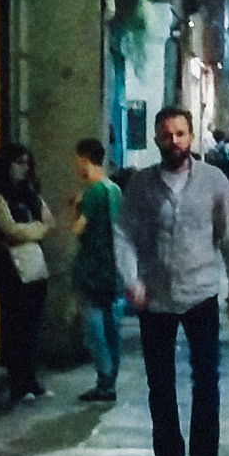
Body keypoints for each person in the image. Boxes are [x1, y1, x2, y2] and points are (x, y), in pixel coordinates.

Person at [115, 108, 229, 456]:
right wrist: (131, 278)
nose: (175, 141)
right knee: (160, 383)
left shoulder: (213, 182)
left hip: (200, 292)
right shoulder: (141, 186)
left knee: (206, 380)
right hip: (155, 296)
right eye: (167, 135)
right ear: (157, 139)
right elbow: (123, 234)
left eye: (181, 133)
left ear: (191, 136)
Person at [0, 142, 51, 406]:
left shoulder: (30, 193)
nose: (24, 169)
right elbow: (8, 229)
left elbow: (49, 223)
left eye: (27, 163)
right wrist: (35, 229)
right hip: (9, 265)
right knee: (15, 323)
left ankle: (29, 378)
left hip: (34, 265)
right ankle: (17, 381)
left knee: (31, 325)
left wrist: (30, 229)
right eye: (18, 163)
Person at [70, 137, 124, 405]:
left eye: (77, 160)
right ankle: (111, 376)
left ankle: (104, 379)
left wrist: (76, 207)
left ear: (84, 158)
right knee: (110, 324)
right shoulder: (114, 189)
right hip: (111, 266)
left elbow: (78, 228)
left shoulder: (92, 191)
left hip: (92, 267)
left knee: (94, 327)